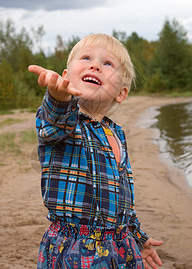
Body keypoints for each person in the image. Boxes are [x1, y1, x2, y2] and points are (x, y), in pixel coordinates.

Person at [28, 33, 163, 269]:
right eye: (86, 58)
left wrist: (137, 236)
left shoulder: (117, 134)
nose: (95, 65)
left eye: (107, 63)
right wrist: (58, 97)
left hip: (120, 246)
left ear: (121, 93)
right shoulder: (64, 124)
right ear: (67, 77)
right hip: (76, 248)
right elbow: (55, 120)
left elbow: (123, 198)